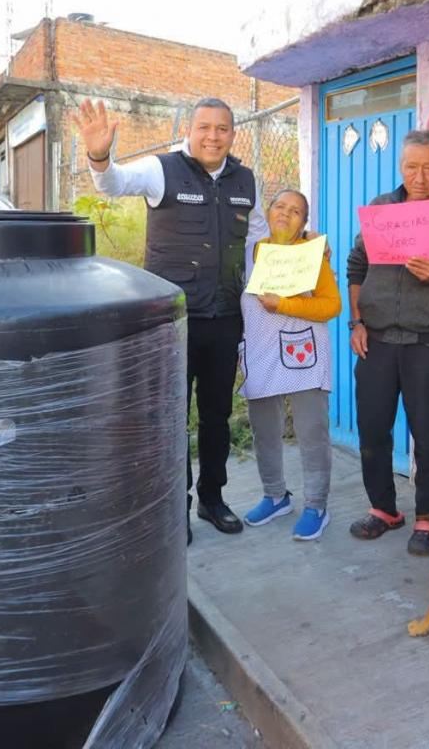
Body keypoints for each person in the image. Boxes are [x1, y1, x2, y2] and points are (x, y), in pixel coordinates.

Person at [76, 97, 263, 540]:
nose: (213, 136)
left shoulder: (246, 180)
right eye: (204, 127)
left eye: (222, 128)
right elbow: (114, 183)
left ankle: (213, 500)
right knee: (170, 415)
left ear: (233, 134)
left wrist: (290, 262)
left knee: (217, 416)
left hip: (224, 319)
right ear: (190, 130)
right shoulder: (163, 171)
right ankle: (172, 507)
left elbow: (257, 245)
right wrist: (99, 155)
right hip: (174, 323)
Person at [345, 129, 429, 556]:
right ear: (400, 167)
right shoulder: (381, 211)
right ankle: (384, 509)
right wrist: (356, 323)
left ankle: (427, 519)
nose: (419, 176)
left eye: (428, 166)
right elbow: (356, 267)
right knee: (372, 429)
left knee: (427, 434)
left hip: (428, 343)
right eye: (410, 166)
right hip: (378, 340)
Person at [239, 190, 342, 540]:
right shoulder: (249, 249)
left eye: (296, 211)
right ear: (268, 212)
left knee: (312, 431)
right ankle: (275, 495)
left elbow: (331, 306)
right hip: (260, 351)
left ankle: (316, 505)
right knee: (264, 429)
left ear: (304, 224)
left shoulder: (311, 255)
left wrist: (285, 304)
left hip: (304, 354)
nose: (286, 213)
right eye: (280, 206)